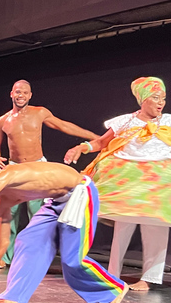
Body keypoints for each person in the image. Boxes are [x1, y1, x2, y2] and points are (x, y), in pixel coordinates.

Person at [0, 162, 127, 303]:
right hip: (54, 203)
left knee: (73, 260)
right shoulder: (2, 200)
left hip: (80, 194)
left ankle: (113, 289)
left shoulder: (7, 174)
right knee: (27, 240)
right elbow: (1, 241)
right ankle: (12, 298)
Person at [65, 77, 170, 291]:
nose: (161, 103)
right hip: (126, 179)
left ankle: (148, 278)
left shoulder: (168, 121)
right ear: (143, 99)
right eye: (156, 98)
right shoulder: (126, 121)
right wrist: (81, 148)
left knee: (157, 226)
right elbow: (101, 143)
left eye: (164, 98)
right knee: (123, 226)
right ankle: (113, 274)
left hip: (158, 181)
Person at [0, 80, 98, 267]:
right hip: (15, 170)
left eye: (24, 92)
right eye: (17, 92)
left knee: (38, 214)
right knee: (9, 214)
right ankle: (4, 256)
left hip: (38, 169)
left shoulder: (39, 112)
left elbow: (64, 126)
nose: (21, 95)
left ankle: (37, 256)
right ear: (11, 94)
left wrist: (96, 138)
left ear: (30, 95)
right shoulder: (2, 121)